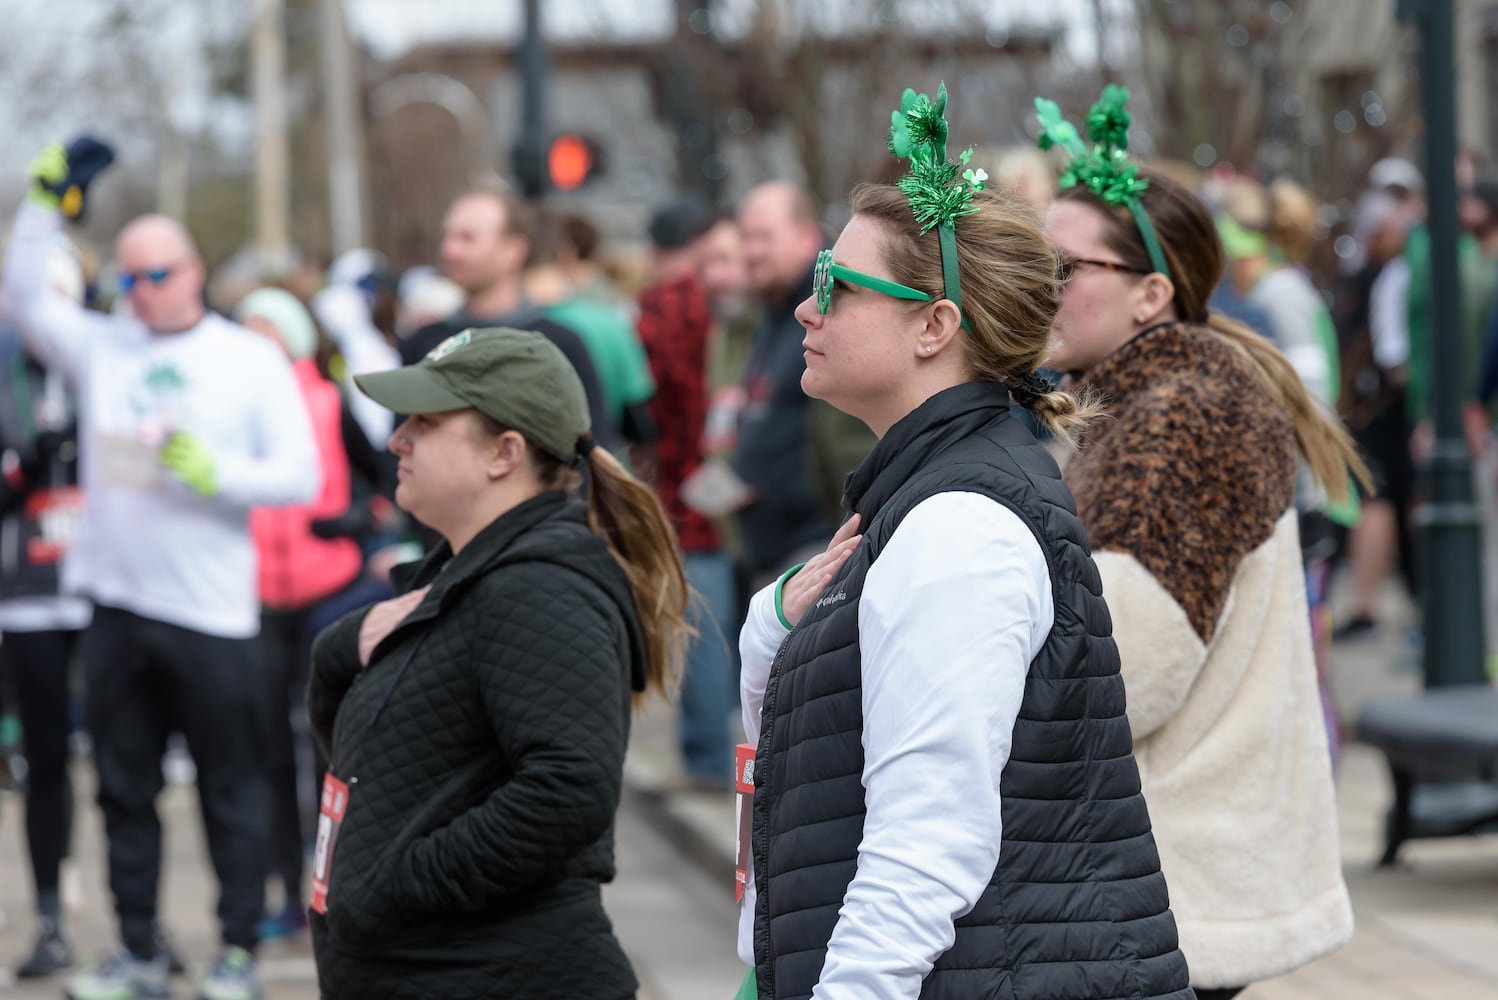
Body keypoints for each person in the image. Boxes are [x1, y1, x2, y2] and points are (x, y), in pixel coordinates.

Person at [739, 83, 1191, 1000]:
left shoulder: (961, 525)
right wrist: (772, 622)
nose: (805, 309)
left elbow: (925, 847)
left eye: (837, 284)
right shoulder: (928, 493)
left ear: (935, 326)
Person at [1039, 87, 1357, 997]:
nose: (1042, 287)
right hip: (1167, 874)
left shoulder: (1183, 414)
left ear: (1151, 293)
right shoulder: (1147, 399)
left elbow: (1127, 669)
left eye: (1066, 266)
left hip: (1174, 877)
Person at [4, 142, 319, 1000]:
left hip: (214, 613)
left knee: (231, 788)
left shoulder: (247, 359)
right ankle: (138, 949)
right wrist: (45, 203)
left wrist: (223, 476)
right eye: (129, 279)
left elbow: (302, 474)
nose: (142, 294)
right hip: (114, 604)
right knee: (121, 790)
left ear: (195, 271)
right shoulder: (104, 347)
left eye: (159, 276)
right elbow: (28, 296)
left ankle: (237, 951)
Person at [306, 327, 691, 999]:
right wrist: (345, 644)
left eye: (425, 423)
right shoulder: (467, 571)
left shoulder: (540, 587)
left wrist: (396, 882)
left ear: (503, 453)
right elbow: (370, 751)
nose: (398, 440)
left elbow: (570, 789)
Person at [234, 288, 364, 942]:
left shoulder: (330, 399)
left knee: (326, 752)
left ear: (296, 337)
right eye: (245, 330)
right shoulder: (228, 404)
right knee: (266, 756)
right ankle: (285, 891)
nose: (255, 342)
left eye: (268, 330)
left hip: (327, 593)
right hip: (255, 599)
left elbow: (380, 478)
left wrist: (360, 526)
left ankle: (332, 889)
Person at [0, 235, 90, 979]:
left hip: (106, 595)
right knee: (47, 762)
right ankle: (51, 918)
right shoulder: (7, 374)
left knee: (131, 765)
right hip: (28, 597)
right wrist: (24, 466)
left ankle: (140, 924)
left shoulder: (107, 367)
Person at [637, 198, 737, 787]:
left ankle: (703, 759)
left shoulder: (660, 307)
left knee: (699, 623)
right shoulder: (714, 306)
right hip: (721, 479)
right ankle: (711, 751)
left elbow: (646, 401)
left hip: (682, 486)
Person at [735, 181, 875, 587]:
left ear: (807, 236)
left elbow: (849, 432)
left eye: (764, 236)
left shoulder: (831, 313)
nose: (751, 250)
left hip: (818, 541)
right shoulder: (769, 313)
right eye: (745, 236)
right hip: (768, 543)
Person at [401, 189, 616, 450]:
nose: (449, 250)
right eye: (447, 236)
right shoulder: (426, 342)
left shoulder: (560, 344)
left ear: (513, 250)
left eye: (467, 238)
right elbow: (401, 440)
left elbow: (591, 448)